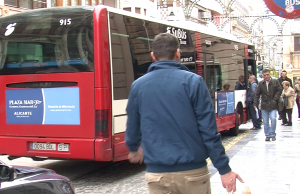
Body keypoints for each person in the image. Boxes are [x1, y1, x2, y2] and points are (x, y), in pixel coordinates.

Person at [125, 33, 243, 194]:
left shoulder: (138, 86)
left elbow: (133, 123)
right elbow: (208, 131)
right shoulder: (194, 82)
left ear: (153, 56)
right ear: (178, 53)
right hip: (193, 174)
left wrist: (133, 148)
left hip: (157, 175)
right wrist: (224, 169)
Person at [254, 69, 282, 141]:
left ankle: (272, 134)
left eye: (267, 75)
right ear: (263, 76)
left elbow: (279, 90)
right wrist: (255, 103)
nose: (266, 76)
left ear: (270, 74)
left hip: (273, 104)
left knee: (273, 118)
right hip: (264, 105)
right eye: (265, 75)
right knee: (265, 121)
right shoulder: (261, 83)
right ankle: (267, 135)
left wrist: (275, 99)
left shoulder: (275, 82)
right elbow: (257, 94)